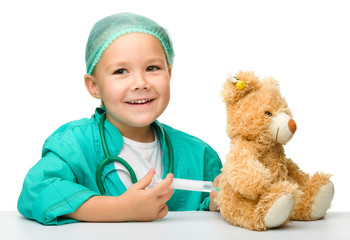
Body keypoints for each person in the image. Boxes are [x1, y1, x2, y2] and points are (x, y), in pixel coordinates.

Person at [17, 12, 222, 225]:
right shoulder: (74, 145)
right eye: (121, 71)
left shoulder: (199, 155)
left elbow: (210, 216)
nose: (140, 83)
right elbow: (35, 191)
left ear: (169, 73)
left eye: (152, 68)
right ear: (94, 86)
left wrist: (215, 204)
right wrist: (121, 208)